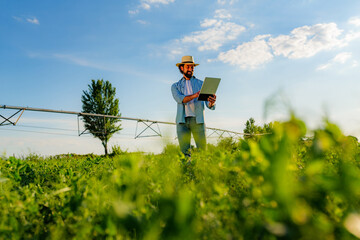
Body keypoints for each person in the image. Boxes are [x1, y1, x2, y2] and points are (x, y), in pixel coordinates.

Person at [171, 56, 216, 157]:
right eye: (188, 66)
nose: (191, 69)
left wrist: (211, 102)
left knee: (203, 152)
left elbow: (209, 105)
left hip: (198, 120)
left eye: (192, 67)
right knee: (185, 153)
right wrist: (196, 95)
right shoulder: (175, 86)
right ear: (182, 68)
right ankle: (187, 172)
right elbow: (180, 99)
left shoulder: (201, 84)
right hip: (182, 122)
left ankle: (202, 172)